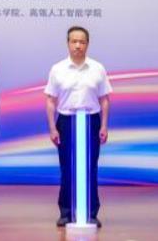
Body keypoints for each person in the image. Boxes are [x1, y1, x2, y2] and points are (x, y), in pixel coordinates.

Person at [44, 26, 111, 228]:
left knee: (90, 167)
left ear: (87, 44)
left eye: (82, 42)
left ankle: (91, 213)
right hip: (66, 122)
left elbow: (105, 99)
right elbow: (50, 100)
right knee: (67, 168)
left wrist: (104, 126)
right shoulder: (58, 69)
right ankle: (66, 212)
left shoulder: (97, 68)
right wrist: (52, 128)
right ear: (68, 43)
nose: (78, 45)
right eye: (74, 41)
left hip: (91, 121)